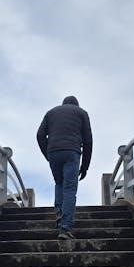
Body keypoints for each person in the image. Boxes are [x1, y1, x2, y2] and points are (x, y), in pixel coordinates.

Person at [36, 96, 93, 239]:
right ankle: (65, 228)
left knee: (59, 183)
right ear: (76, 105)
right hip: (72, 152)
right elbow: (88, 141)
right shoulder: (82, 113)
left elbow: (40, 135)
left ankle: (59, 214)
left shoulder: (50, 113)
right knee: (69, 188)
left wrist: (48, 154)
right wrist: (85, 166)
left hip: (54, 152)